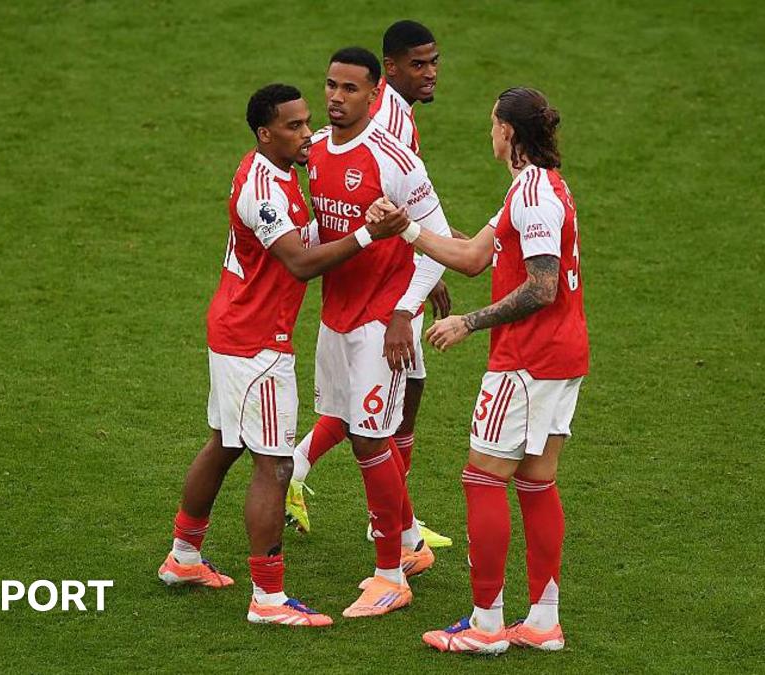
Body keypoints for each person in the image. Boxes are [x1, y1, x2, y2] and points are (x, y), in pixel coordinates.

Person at [156, 83, 410, 628]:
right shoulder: (265, 191)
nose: (307, 134)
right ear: (264, 133)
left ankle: (183, 557)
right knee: (272, 467)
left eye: (307, 121)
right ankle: (268, 598)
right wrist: (369, 233)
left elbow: (311, 238)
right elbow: (299, 262)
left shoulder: (275, 172)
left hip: (233, 330)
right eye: (293, 127)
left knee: (224, 444)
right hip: (257, 345)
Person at [373, 87, 586, 653]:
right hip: (562, 357)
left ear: (510, 134)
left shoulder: (533, 198)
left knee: (483, 478)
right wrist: (408, 230)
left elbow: (540, 287)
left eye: (493, 124)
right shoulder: (533, 189)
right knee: (537, 483)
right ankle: (543, 621)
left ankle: (486, 625)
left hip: (528, 361)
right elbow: (471, 258)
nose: (488, 132)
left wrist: (470, 323)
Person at [287, 20, 453, 551]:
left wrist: (409, 304)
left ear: (373, 91)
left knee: (372, 431)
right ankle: (397, 527)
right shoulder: (314, 149)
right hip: (338, 313)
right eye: (331, 87)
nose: (336, 98)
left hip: (385, 311)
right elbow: (321, 216)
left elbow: (429, 227)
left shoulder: (390, 148)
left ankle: (396, 553)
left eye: (349, 89)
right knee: (351, 419)